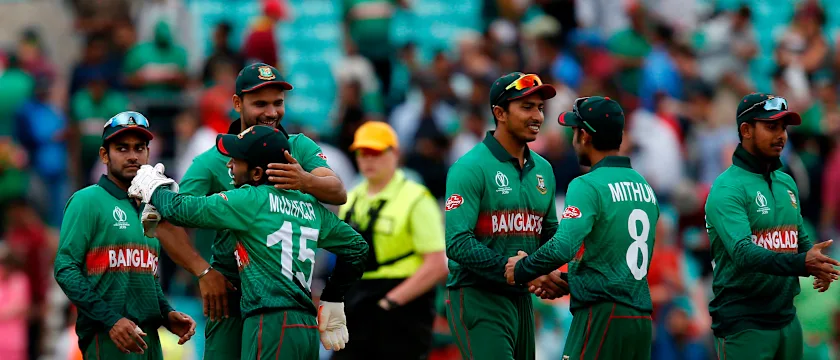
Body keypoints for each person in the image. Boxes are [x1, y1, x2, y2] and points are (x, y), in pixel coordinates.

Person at [153, 62, 348, 360]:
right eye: (260, 103)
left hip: (282, 300)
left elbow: (338, 191)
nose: (271, 112)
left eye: (278, 103)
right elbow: (167, 220)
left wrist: (304, 179)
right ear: (236, 103)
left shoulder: (298, 147)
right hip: (230, 297)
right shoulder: (211, 160)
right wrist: (203, 272)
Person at [128, 125, 369, 359]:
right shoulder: (311, 207)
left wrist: (153, 186)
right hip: (306, 328)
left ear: (256, 173)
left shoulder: (250, 199)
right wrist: (333, 296)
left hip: (270, 324)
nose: (230, 165)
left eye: (237, 160)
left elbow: (182, 210)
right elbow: (357, 248)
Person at [505, 96, 659, 359]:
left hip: (601, 317)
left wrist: (522, 268)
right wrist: (567, 282)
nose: (572, 138)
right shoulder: (645, 188)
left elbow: (563, 246)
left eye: (575, 130)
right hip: (640, 320)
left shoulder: (587, 184)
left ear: (585, 135)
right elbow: (615, 264)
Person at [703, 93, 840, 360]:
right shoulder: (727, 187)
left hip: (787, 319)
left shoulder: (786, 182)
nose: (781, 135)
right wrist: (803, 264)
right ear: (746, 130)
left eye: (783, 128)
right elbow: (743, 253)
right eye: (771, 126)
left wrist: (817, 262)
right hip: (745, 323)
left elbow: (798, 239)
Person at [444, 72, 568, 360]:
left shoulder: (544, 170)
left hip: (522, 300)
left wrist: (544, 271)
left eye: (539, 107)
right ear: (499, 113)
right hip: (477, 296)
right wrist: (514, 270)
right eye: (526, 107)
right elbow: (457, 242)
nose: (537, 115)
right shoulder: (470, 167)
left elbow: (549, 234)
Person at [53, 111, 196, 359]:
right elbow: (65, 269)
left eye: (140, 148)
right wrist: (112, 321)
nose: (133, 156)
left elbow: (145, 273)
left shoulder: (151, 208)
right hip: (109, 338)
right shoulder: (87, 201)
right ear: (104, 155)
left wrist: (165, 313)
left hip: (149, 341)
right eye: (122, 148)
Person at [333, 121, 448, 360]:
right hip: (357, 300)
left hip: (403, 307)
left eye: (375, 152)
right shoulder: (350, 199)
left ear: (395, 153)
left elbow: (437, 265)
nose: (368, 160)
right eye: (362, 153)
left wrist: (389, 303)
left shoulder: (416, 198)